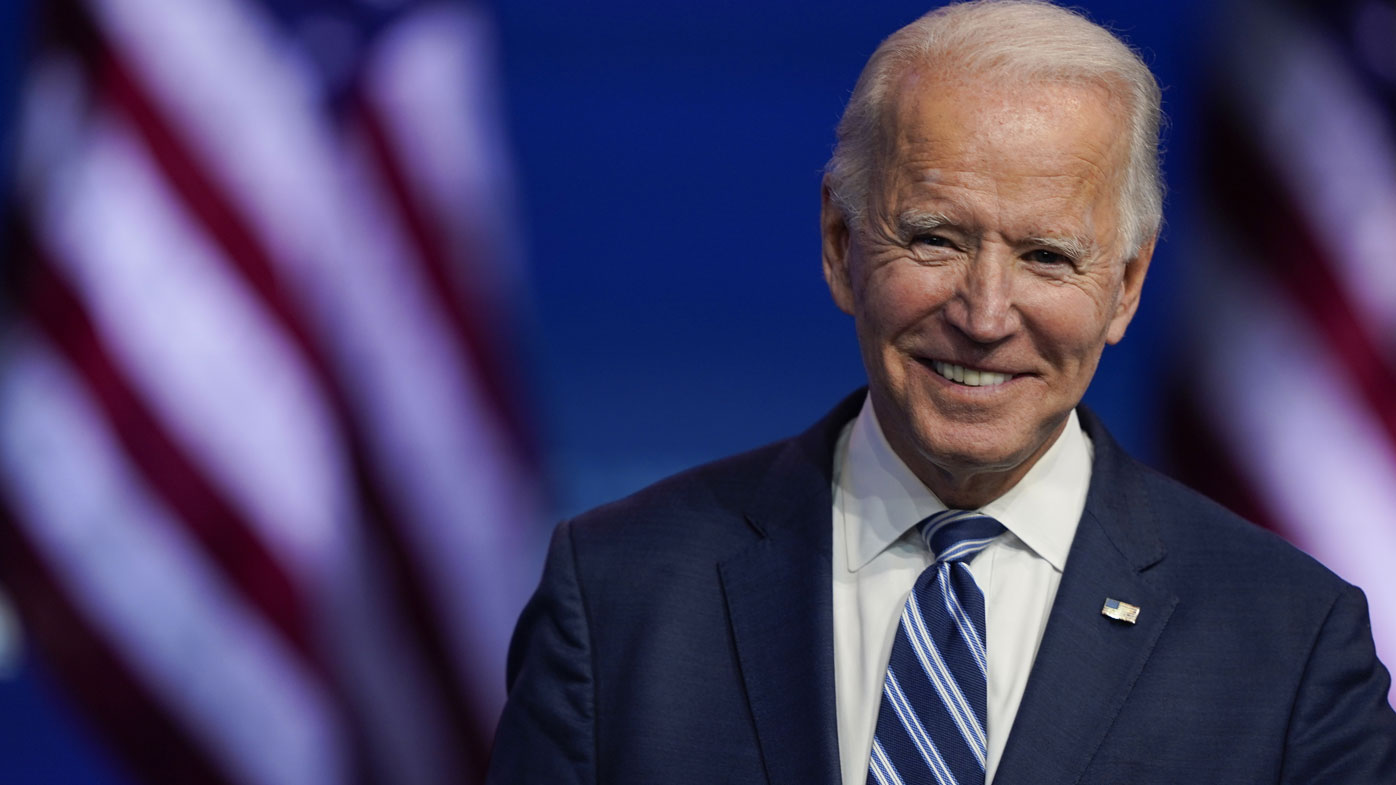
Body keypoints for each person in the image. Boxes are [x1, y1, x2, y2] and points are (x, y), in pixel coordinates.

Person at [487, 1, 1396, 783]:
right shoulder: (620, 597)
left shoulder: (1290, 641)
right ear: (842, 246)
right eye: (934, 238)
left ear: (1124, 286)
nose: (986, 314)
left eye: (1046, 256)